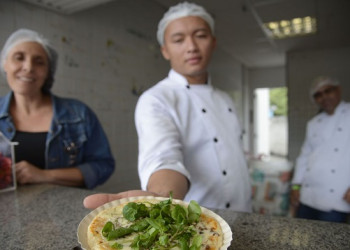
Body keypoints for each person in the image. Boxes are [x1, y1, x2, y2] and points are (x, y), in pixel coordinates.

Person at [84, 2, 252, 211]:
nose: (191, 46)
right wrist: (161, 197)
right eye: (178, 39)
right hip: (200, 221)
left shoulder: (226, 99)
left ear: (213, 42)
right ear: (165, 50)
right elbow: (163, 157)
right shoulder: (156, 99)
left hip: (245, 211)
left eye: (200, 35)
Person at [0, 28, 115, 189]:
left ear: (48, 71)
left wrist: (43, 175)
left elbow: (103, 166)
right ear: (5, 63)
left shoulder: (79, 114)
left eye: (39, 62)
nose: (28, 67)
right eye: (19, 58)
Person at [290, 76, 350, 223]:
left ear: (339, 90)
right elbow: (304, 157)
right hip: (308, 197)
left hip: (336, 198)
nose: (324, 97)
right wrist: (296, 186)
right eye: (318, 95)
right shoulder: (313, 123)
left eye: (328, 91)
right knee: (303, 240)